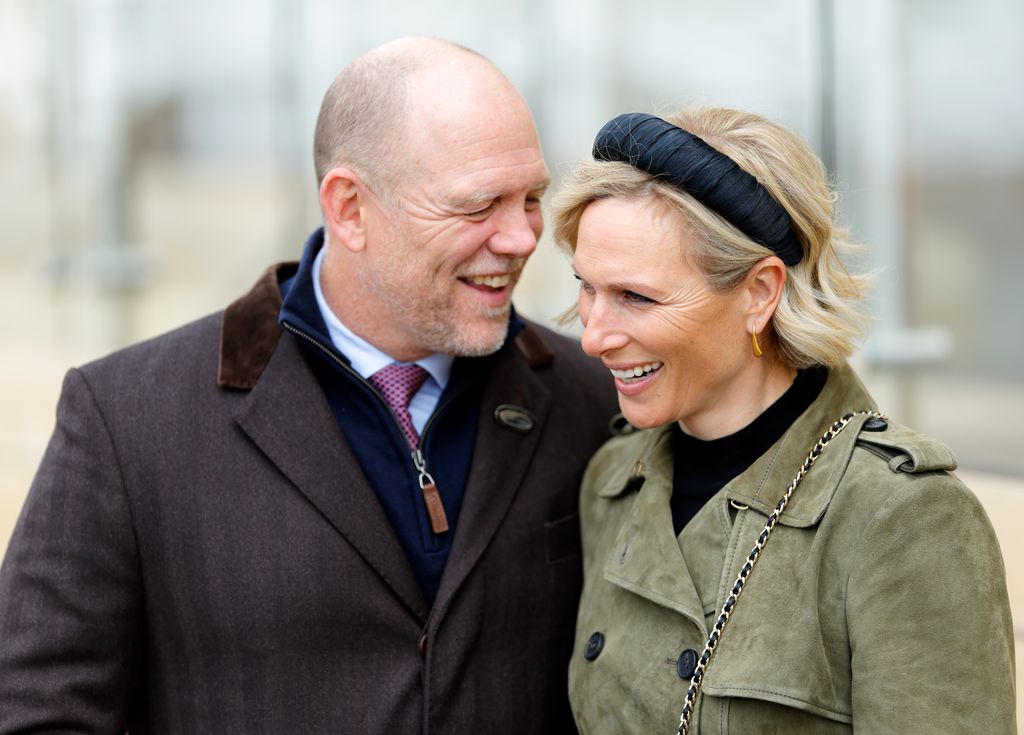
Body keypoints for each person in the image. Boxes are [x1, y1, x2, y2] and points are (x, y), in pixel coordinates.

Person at [0, 37, 618, 733]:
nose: (520, 237)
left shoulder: (594, 401)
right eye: (479, 206)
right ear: (350, 208)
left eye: (531, 197)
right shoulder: (125, 420)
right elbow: (37, 712)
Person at [553, 108, 1016, 733]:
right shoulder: (612, 482)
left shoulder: (900, 517)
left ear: (759, 293)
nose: (594, 336)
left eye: (637, 297)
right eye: (587, 287)